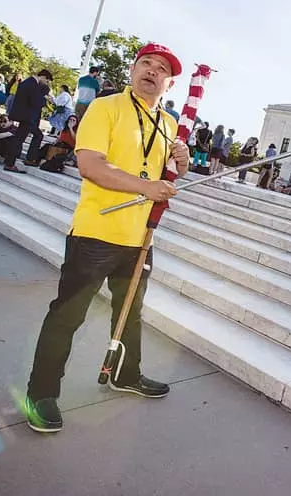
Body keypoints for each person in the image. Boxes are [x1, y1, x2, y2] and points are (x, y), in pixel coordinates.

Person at [24, 43, 190, 433]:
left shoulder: (167, 123)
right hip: (96, 232)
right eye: (146, 63)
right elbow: (91, 166)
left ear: (168, 83)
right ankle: (41, 392)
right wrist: (145, 188)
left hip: (140, 236)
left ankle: (124, 373)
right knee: (68, 315)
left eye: (161, 68)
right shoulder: (105, 107)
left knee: (130, 312)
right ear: (134, 70)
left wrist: (177, 163)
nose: (152, 71)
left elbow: (162, 175)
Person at [3, 71, 53, 172]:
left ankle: (9, 162)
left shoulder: (28, 82)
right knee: (18, 141)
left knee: (18, 140)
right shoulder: (32, 84)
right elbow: (35, 102)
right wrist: (44, 100)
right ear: (43, 77)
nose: (46, 83)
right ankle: (10, 163)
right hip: (26, 117)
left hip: (23, 115)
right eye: (46, 81)